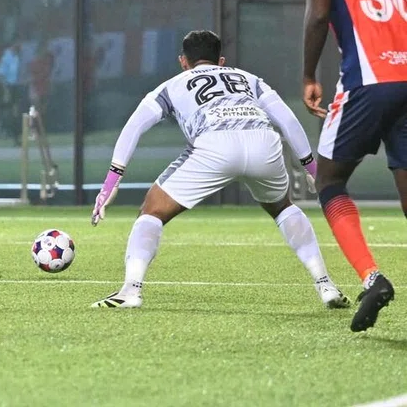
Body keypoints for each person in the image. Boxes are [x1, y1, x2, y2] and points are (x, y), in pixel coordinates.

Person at [91, 30, 348, 311]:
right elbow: (286, 119)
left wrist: (111, 181)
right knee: (283, 208)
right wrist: (311, 166)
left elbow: (134, 127)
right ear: (221, 61)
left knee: (151, 211)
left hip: (215, 144)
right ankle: (325, 285)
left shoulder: (171, 86)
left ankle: (131, 291)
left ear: (183, 61)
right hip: (263, 141)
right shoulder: (249, 79)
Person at [302, 0, 406, 332]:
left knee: (328, 180)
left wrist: (308, 74)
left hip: (368, 81)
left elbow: (319, 14)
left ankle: (372, 276)